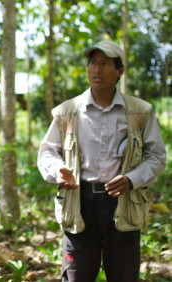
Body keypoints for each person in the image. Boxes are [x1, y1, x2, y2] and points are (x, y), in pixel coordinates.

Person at [37, 40, 166, 282]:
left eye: (105, 64)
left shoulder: (140, 111)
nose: (97, 70)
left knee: (124, 275)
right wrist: (59, 169)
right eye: (93, 63)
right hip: (80, 203)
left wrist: (131, 179)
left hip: (124, 203)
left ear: (120, 71)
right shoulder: (67, 111)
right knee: (76, 276)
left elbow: (157, 156)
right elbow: (47, 152)